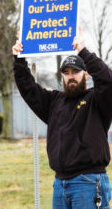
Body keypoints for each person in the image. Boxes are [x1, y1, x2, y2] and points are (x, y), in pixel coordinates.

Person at [12, 28, 112, 208]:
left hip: (88, 183)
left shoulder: (97, 101)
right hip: (60, 184)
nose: (71, 76)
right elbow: (28, 89)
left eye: (76, 71)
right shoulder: (55, 102)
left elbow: (107, 80)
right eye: (66, 73)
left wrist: (83, 52)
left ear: (86, 74)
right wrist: (19, 58)